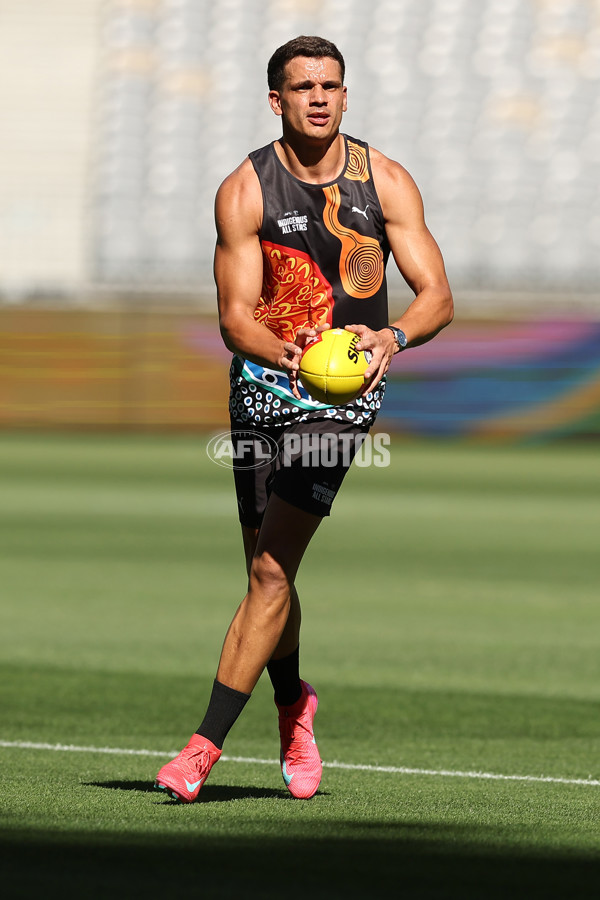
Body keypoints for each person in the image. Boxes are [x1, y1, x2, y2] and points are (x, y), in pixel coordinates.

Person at [154, 35, 453, 803]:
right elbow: (234, 318)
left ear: (346, 96)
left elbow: (436, 298)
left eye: (330, 85)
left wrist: (391, 336)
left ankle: (202, 747)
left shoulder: (385, 181)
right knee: (264, 567)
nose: (317, 97)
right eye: (301, 86)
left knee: (271, 567)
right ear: (276, 100)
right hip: (264, 383)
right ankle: (294, 705)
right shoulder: (244, 190)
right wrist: (286, 353)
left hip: (344, 398)